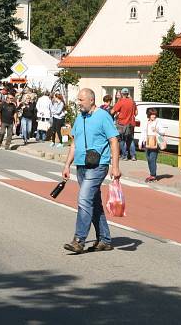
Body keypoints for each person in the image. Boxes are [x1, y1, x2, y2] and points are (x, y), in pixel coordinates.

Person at [62, 88, 121, 254]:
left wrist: (115, 166)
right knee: (93, 202)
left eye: (81, 100)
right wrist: (67, 165)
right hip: (81, 165)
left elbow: (114, 140)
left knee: (84, 199)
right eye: (78, 100)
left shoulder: (103, 116)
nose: (78, 103)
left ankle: (79, 240)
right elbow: (74, 143)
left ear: (91, 100)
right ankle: (104, 239)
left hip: (98, 165)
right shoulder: (79, 118)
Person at [111, 88, 137, 161]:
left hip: (122, 124)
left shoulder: (120, 102)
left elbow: (112, 111)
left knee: (122, 140)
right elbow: (136, 113)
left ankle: (124, 156)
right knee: (130, 139)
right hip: (131, 123)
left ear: (122, 94)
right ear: (128, 94)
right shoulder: (132, 102)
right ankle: (133, 156)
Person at [144, 108, 166, 182]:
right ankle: (152, 174)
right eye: (152, 114)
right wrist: (140, 142)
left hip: (155, 142)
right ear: (149, 115)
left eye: (154, 114)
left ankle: (153, 175)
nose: (153, 116)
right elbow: (143, 132)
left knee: (152, 158)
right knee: (148, 159)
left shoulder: (158, 122)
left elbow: (163, 132)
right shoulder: (146, 122)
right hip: (147, 142)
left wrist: (157, 130)